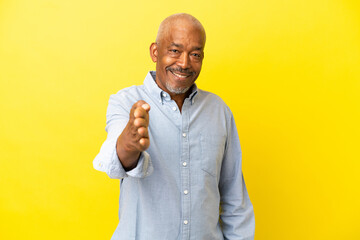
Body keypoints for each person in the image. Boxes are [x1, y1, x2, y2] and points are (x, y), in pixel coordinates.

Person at [93, 13, 255, 240]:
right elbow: (116, 159)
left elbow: (234, 198)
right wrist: (129, 144)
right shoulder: (125, 102)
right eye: (175, 51)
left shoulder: (219, 111)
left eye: (195, 54)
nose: (184, 63)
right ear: (155, 52)